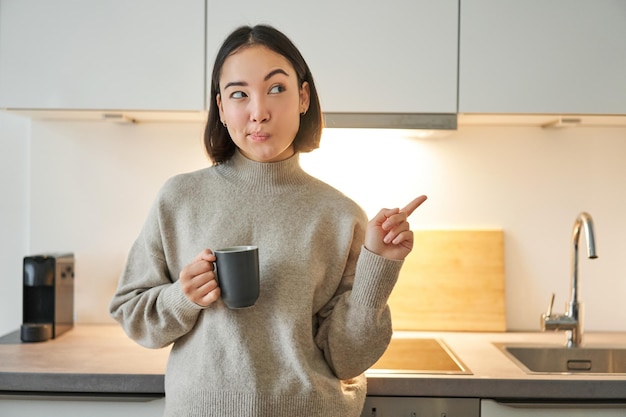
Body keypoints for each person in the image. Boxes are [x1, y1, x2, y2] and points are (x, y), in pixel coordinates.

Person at [109, 24, 427, 417]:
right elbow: (131, 311)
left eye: (276, 89)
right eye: (239, 94)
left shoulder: (341, 214)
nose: (258, 112)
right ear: (222, 108)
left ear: (303, 97)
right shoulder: (178, 199)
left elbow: (347, 359)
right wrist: (183, 296)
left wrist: (381, 265)